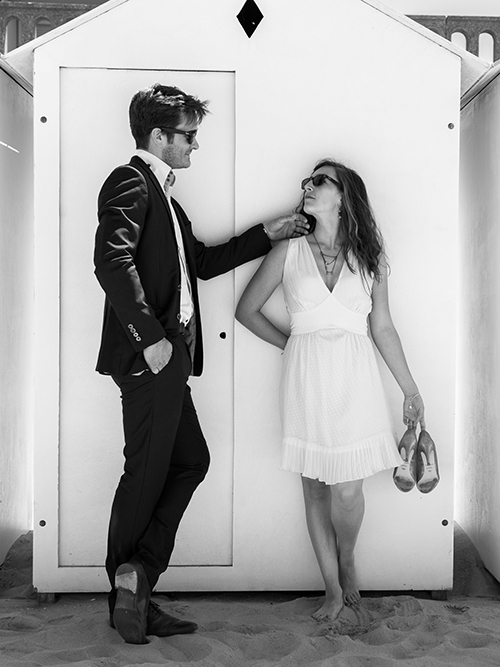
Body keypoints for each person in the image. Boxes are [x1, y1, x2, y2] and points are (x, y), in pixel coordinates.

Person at [94, 83, 308, 644]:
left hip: (173, 361)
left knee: (190, 461)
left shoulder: (168, 199)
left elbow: (206, 263)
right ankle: (128, 591)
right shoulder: (129, 182)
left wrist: (272, 233)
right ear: (158, 136)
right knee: (145, 474)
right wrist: (148, 339)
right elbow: (112, 261)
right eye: (188, 135)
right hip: (153, 358)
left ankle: (136, 580)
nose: (195, 145)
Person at [236, 158, 425, 623]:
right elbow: (247, 310)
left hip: (355, 380)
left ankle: (347, 557)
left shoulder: (370, 258)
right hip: (305, 381)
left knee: (346, 492)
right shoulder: (287, 252)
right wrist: (291, 346)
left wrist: (410, 389)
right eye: (308, 180)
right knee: (315, 489)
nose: (308, 186)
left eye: (319, 181)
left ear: (343, 197)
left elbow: (382, 328)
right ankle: (332, 587)